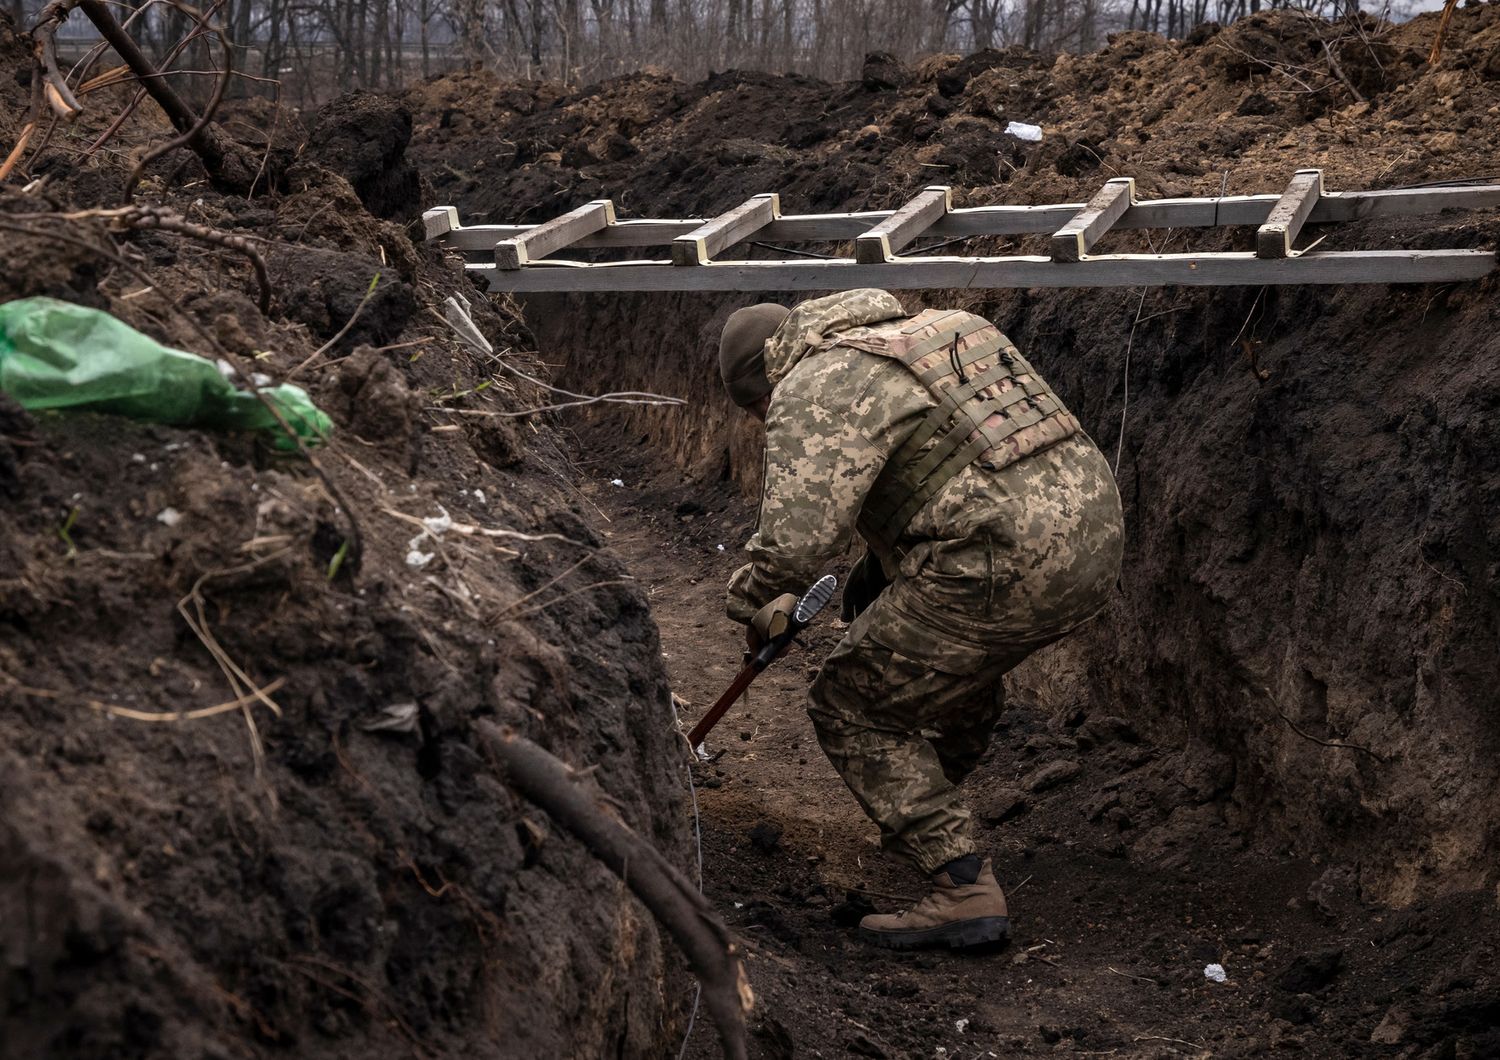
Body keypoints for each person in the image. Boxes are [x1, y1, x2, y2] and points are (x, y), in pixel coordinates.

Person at [718, 288, 1124, 951]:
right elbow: (958, 461)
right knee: (943, 665)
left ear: (765, 382)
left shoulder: (811, 384)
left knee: (852, 702)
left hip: (1000, 564)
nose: (766, 424)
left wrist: (750, 604)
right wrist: (879, 569)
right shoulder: (942, 329)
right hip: (1095, 540)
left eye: (759, 411)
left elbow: (792, 546)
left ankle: (962, 886)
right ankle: (917, 807)